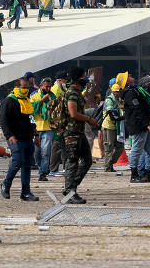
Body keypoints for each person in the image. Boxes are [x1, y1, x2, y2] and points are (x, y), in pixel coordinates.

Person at [62, 66, 98, 204]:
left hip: (79, 131)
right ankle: (70, 192)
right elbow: (73, 113)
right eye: (84, 76)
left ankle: (71, 188)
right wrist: (89, 119)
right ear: (78, 78)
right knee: (72, 162)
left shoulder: (77, 92)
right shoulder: (72, 93)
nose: (86, 79)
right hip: (72, 132)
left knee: (87, 161)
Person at [0, 77, 39, 202]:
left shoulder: (27, 101)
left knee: (27, 165)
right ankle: (6, 184)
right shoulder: (9, 101)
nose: (26, 90)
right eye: (23, 88)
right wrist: (9, 135)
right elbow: (3, 120)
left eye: (28, 88)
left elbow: (32, 119)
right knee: (17, 161)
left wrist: (36, 135)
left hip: (28, 138)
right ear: (16, 87)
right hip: (15, 138)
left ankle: (25, 192)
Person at [30, 78, 55, 181]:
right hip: (36, 128)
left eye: (50, 86)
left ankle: (43, 173)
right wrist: (41, 101)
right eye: (46, 86)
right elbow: (31, 109)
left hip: (48, 128)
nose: (48, 89)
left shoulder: (52, 96)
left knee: (46, 152)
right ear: (41, 86)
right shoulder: (34, 95)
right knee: (37, 153)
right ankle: (42, 169)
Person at [102, 81, 125, 172]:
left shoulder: (118, 100)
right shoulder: (109, 100)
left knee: (120, 146)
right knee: (109, 147)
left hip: (116, 126)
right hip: (109, 126)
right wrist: (120, 118)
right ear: (113, 91)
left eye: (118, 91)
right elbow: (111, 115)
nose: (117, 93)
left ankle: (110, 163)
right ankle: (108, 167)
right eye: (116, 91)